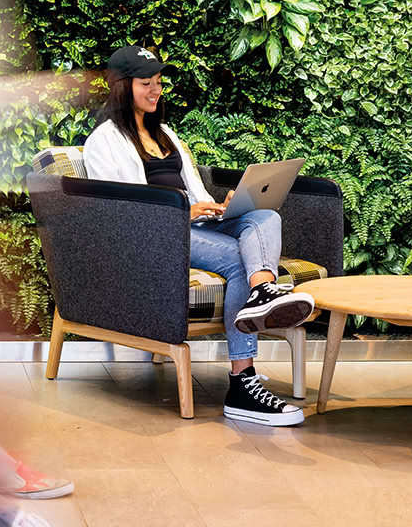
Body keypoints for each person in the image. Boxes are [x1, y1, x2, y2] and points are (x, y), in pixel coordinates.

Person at [82, 46, 316, 426]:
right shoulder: (103, 142)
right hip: (161, 233)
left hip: (197, 224)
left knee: (264, 216)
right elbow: (124, 209)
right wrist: (182, 212)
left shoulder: (165, 132)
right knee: (240, 259)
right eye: (146, 84)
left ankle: (262, 289)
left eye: (158, 83)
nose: (156, 90)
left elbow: (193, 190)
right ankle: (242, 385)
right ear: (122, 87)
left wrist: (219, 206)